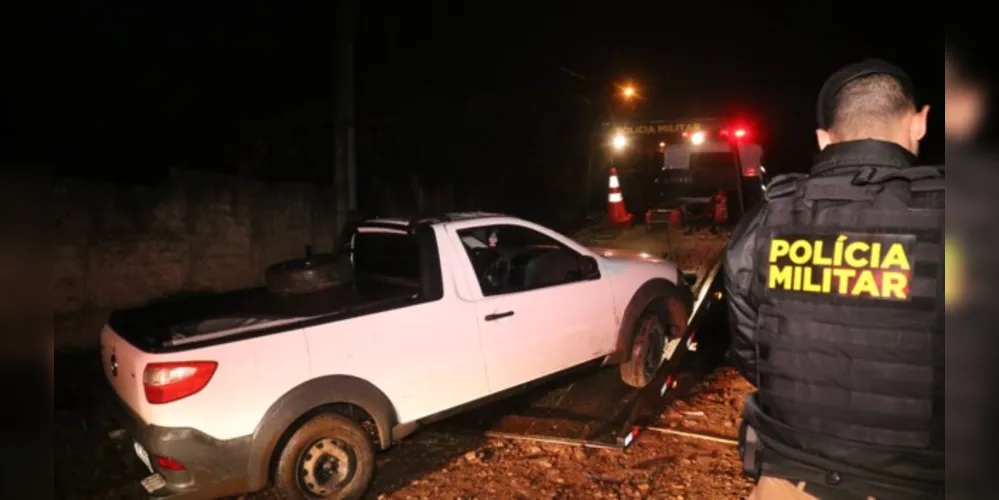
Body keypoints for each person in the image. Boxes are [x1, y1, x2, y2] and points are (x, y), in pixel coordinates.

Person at [724, 59, 945, 499]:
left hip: (790, 481)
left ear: (824, 139)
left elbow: (753, 357)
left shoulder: (767, 219)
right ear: (919, 122)